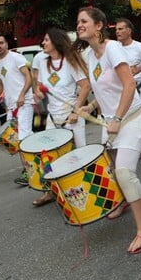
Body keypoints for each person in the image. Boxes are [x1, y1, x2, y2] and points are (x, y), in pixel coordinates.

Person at [76, 7, 141, 255]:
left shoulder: (112, 48)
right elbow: (103, 89)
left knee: (124, 172)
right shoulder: (90, 54)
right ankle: (123, 202)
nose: (79, 25)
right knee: (111, 169)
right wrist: (90, 105)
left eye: (84, 21)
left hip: (131, 118)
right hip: (110, 122)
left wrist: (118, 118)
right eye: (78, 22)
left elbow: (129, 84)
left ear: (99, 25)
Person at [33, 28, 90, 206]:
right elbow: (41, 86)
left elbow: (85, 85)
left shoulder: (70, 62)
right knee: (47, 155)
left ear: (56, 42)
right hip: (53, 116)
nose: (43, 43)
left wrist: (76, 112)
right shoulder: (43, 63)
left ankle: (88, 188)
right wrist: (38, 93)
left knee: (79, 154)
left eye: (46, 40)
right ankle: (50, 191)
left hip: (71, 116)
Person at [0, 35, 34, 186]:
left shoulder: (16, 57)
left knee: (23, 138)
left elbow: (28, 78)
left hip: (24, 103)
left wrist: (21, 95)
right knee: (15, 139)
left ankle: (30, 172)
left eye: (1, 43)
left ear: (7, 44)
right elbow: (0, 84)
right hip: (12, 107)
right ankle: (32, 167)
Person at [115, 18, 141, 175]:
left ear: (129, 31)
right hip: (124, 92)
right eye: (116, 29)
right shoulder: (114, 49)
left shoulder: (139, 47)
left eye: (120, 29)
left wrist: (139, 69)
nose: (117, 31)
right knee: (126, 126)